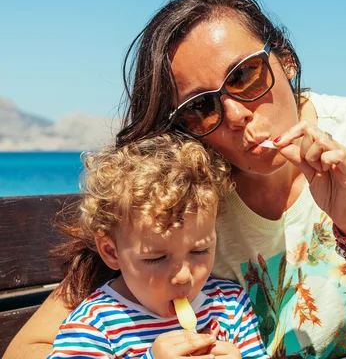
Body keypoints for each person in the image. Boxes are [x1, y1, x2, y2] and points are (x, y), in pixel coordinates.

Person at [6, 0, 346, 359]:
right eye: (201, 106)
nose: (236, 114)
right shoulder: (182, 197)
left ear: (286, 59)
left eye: (245, 76)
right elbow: (30, 347)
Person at [46, 134, 268, 358]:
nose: (183, 276)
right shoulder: (94, 326)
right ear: (111, 252)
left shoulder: (229, 306)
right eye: (156, 258)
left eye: (199, 251)